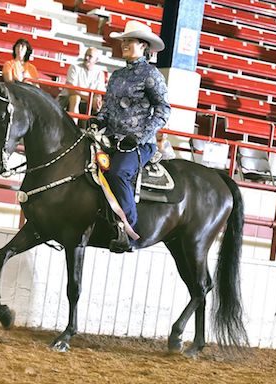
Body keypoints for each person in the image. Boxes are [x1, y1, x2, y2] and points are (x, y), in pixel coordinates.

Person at [90, 20, 171, 252]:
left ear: (143, 45)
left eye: (129, 40)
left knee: (117, 172)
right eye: (123, 40)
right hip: (112, 139)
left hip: (137, 144)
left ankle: (128, 231)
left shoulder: (151, 75)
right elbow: (107, 108)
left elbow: (164, 109)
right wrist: (98, 119)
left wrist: (141, 135)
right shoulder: (116, 76)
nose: (124, 44)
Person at [58, 47, 106, 123]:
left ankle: (94, 130)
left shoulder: (100, 73)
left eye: (90, 56)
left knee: (104, 104)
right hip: (67, 99)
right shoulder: (74, 67)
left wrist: (97, 100)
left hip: (86, 101)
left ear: (96, 60)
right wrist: (89, 99)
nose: (86, 58)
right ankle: (73, 129)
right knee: (75, 98)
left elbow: (99, 92)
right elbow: (71, 90)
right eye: (86, 55)